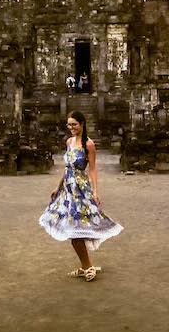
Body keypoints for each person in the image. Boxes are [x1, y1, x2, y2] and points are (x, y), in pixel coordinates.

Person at [38, 111, 122, 281]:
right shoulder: (69, 142)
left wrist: (96, 191)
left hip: (80, 190)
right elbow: (67, 167)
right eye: (69, 124)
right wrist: (57, 187)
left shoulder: (89, 145)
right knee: (72, 230)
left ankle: (87, 266)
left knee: (77, 231)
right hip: (67, 190)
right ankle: (86, 266)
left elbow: (92, 169)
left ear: (82, 124)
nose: (71, 128)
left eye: (74, 124)